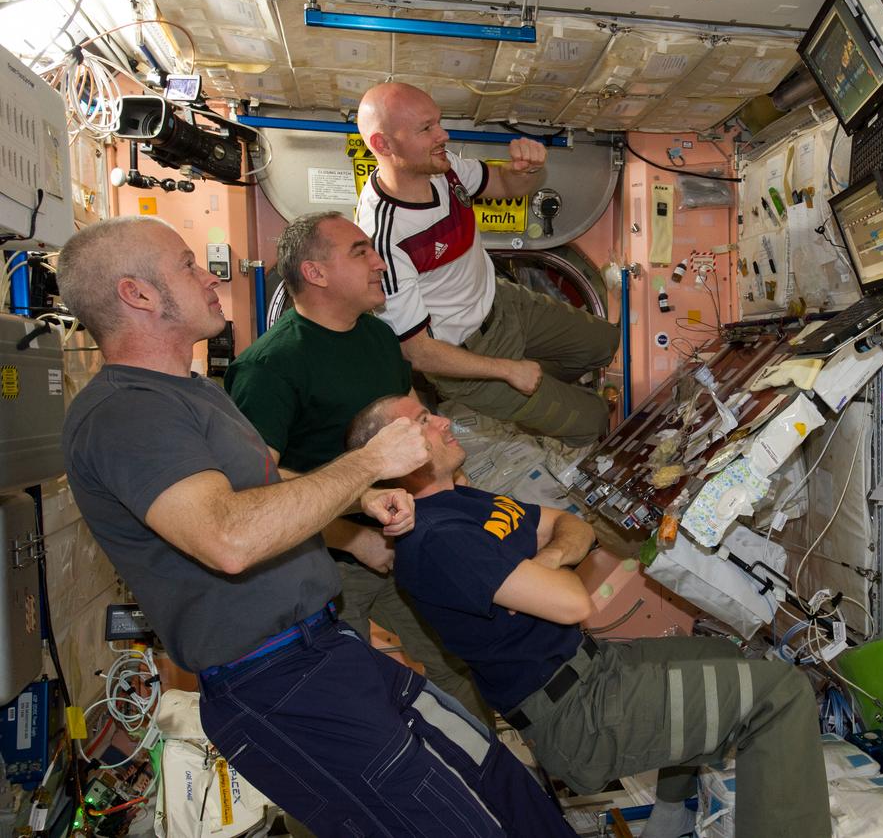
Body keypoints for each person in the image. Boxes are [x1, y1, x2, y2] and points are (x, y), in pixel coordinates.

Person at [58, 216, 575, 838]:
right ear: (136, 295)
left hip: (327, 650)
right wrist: (369, 463)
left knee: (499, 782)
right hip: (278, 683)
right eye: (186, 265)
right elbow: (227, 538)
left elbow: (267, 497)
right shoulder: (125, 413)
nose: (207, 275)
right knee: (456, 824)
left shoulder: (195, 393)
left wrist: (354, 511)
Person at [347, 394, 834, 838]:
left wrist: (549, 560)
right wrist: (550, 566)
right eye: (424, 421)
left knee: (714, 653)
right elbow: (574, 604)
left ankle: (671, 820)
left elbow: (570, 524)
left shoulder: (462, 501)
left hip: (591, 668)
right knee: (781, 694)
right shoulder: (438, 539)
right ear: (392, 455)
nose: (445, 421)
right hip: (578, 716)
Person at [225, 211, 491, 725]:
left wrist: (457, 487)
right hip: (326, 561)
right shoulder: (269, 367)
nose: (378, 262)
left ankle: (484, 785)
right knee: (340, 705)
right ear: (316, 273)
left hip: (409, 536)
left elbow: (414, 415)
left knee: (461, 669)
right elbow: (254, 487)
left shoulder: (377, 337)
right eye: (360, 252)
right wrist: (353, 539)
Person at [354, 81, 619, 447]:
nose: (442, 134)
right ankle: (544, 408)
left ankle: (545, 395)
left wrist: (525, 171)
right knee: (592, 421)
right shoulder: (383, 238)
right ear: (383, 144)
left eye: (439, 122)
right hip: (470, 359)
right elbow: (416, 352)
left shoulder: (443, 170)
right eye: (426, 128)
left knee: (607, 343)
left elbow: (503, 185)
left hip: (507, 305)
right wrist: (507, 371)